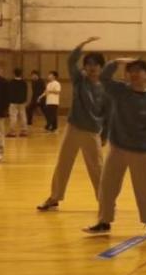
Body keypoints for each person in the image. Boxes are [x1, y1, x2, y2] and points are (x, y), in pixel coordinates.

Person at [82, 59, 146, 237]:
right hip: (117, 148)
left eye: (139, 70)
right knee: (107, 187)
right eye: (131, 71)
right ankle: (104, 221)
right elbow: (104, 77)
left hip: (142, 151)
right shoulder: (119, 91)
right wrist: (116, 62)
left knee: (145, 190)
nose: (135, 74)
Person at [37, 39, 109, 211]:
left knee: (97, 168)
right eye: (88, 64)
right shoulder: (79, 80)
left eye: (95, 64)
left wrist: (105, 134)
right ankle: (54, 197)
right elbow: (70, 61)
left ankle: (104, 201)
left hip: (92, 131)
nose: (92, 67)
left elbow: (108, 113)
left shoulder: (106, 88)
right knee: (63, 163)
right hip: (73, 128)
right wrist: (81, 45)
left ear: (101, 67)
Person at [8, 68, 29, 137]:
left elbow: (9, 92)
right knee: (23, 116)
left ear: (14, 74)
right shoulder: (24, 82)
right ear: (21, 74)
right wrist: (25, 100)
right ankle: (24, 131)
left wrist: (9, 100)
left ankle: (12, 132)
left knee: (13, 117)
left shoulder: (11, 82)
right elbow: (25, 92)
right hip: (22, 102)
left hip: (13, 102)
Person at [0, 65, 7, 162]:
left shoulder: (4, 82)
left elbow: (6, 98)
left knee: (0, 132)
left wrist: (4, 110)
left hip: (0, 111)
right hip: (1, 111)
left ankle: (0, 152)